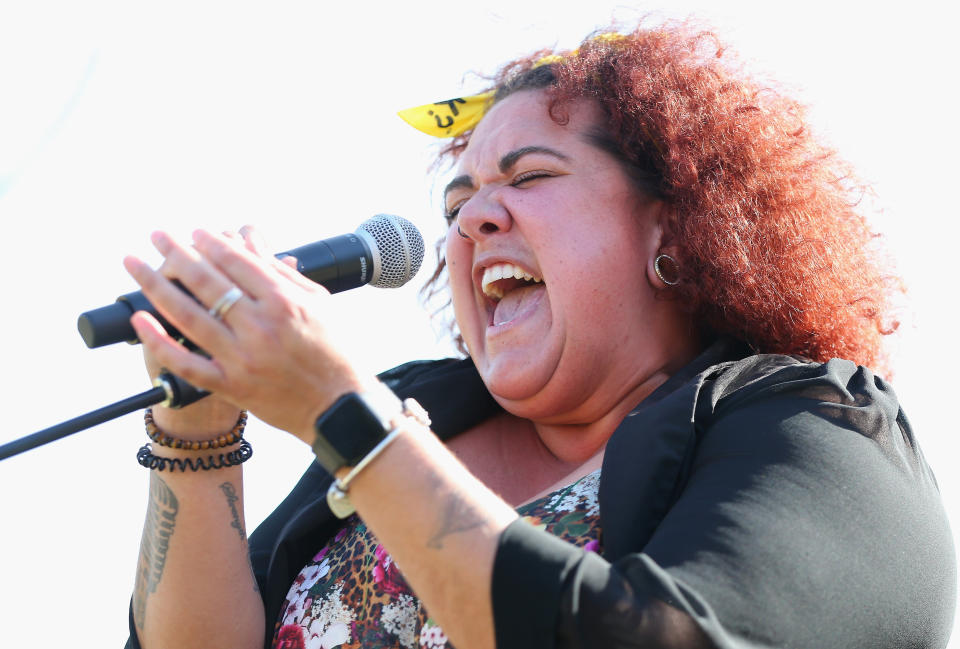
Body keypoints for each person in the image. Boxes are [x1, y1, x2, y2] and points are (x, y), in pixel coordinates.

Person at [122, 20, 955, 649]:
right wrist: (194, 438)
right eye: (456, 205)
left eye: (530, 177)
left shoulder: (817, 422)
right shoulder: (421, 407)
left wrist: (344, 414)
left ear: (675, 230)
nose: (474, 217)